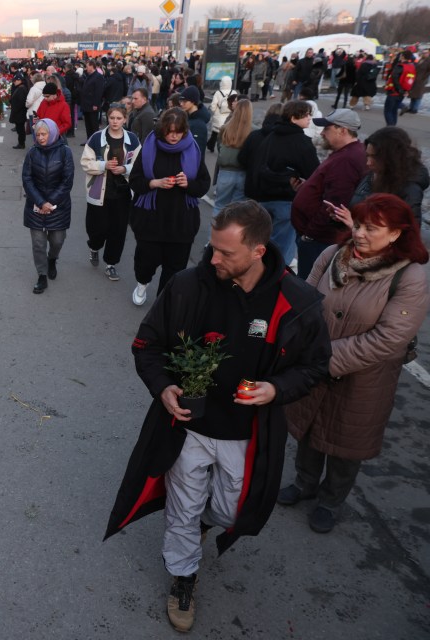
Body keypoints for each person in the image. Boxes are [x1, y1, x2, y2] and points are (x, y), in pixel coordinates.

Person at [105, 200, 331, 632]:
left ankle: (204, 527)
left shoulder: (297, 301)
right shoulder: (188, 286)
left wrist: (276, 389)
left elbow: (316, 366)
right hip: (187, 430)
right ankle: (184, 576)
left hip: (248, 436)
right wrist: (163, 387)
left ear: (259, 251)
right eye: (212, 248)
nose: (214, 258)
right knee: (182, 509)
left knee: (230, 513)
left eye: (226, 252)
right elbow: (147, 345)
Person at [280, 193, 429, 533]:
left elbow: (390, 339)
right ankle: (305, 483)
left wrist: (324, 358)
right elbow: (304, 301)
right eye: (359, 224)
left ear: (396, 234)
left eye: (372, 228)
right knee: (308, 426)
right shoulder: (334, 254)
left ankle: (331, 500)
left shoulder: (409, 277)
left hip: (365, 378)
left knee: (347, 442)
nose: (360, 233)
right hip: (315, 365)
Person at [128, 108, 211, 305]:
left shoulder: (193, 149)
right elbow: (135, 181)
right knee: (145, 262)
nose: (174, 136)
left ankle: (164, 299)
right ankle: (142, 283)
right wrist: (154, 183)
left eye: (178, 131)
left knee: (175, 267)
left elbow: (203, 185)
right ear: (162, 129)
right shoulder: (149, 147)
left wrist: (187, 184)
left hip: (180, 221)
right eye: (169, 131)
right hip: (151, 220)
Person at [238, 100, 320, 266]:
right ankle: (273, 279)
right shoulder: (302, 142)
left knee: (260, 242)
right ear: (293, 117)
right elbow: (314, 174)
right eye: (306, 114)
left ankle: (256, 274)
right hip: (286, 199)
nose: (310, 118)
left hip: (262, 197)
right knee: (281, 249)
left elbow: (255, 164)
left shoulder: (270, 137)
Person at [290, 109, 367, 279]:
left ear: (342, 130)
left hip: (319, 239)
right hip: (317, 237)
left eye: (327, 128)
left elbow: (335, 203)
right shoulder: (344, 154)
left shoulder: (347, 159)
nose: (323, 132)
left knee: (309, 285)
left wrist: (310, 235)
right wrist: (306, 188)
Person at [81, 103, 141, 281]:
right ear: (108, 118)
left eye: (119, 118)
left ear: (125, 119)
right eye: (112, 118)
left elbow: (139, 164)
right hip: (99, 192)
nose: (115, 121)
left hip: (122, 193)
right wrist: (103, 165)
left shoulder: (133, 140)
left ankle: (111, 264)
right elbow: (85, 162)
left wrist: (125, 169)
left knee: (118, 230)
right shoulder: (96, 138)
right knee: (97, 229)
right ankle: (94, 246)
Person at [21, 118, 74, 294]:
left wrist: (51, 202)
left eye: (44, 134)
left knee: (57, 240)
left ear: (52, 133)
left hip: (58, 206)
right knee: (38, 243)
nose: (41, 138)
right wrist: (41, 202)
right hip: (36, 206)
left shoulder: (65, 152)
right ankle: (42, 275)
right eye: (38, 135)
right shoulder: (32, 152)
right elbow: (27, 179)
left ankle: (52, 259)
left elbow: (67, 181)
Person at [349, 126, 430, 223]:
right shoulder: (373, 174)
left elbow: (408, 233)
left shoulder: (409, 190)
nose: (368, 163)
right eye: (367, 156)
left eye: (375, 157)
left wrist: (355, 227)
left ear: (392, 158)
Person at [212, 98, 254, 216]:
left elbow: (219, 146)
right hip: (243, 172)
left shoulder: (225, 128)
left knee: (219, 206)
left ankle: (214, 234)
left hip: (226, 170)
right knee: (237, 210)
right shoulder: (254, 131)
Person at [383, 50, 415, 126]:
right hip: (403, 91)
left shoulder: (400, 66)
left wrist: (399, 89)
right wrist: (405, 91)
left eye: (401, 55)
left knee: (388, 111)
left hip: (394, 91)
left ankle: (390, 129)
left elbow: (394, 78)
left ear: (403, 56)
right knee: (394, 110)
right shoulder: (411, 67)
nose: (400, 57)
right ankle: (393, 127)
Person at [207, 76, 238, 152]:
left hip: (219, 116)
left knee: (215, 132)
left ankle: (211, 146)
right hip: (230, 116)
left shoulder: (218, 92)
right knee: (226, 133)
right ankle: (224, 148)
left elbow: (213, 105)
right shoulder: (234, 92)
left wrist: (214, 111)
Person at [177, 86, 211, 153]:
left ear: (193, 102)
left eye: (184, 101)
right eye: (180, 101)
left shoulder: (199, 124)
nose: (181, 104)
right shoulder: (188, 116)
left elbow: (197, 150)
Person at [80, 61, 105, 141]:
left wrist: (95, 104)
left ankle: (95, 141)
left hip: (92, 105)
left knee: (93, 124)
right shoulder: (90, 76)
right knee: (88, 124)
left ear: (91, 66)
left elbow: (98, 92)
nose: (86, 68)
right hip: (86, 104)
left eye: (87, 66)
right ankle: (89, 140)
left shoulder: (98, 77)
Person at [403, 48, 429, 114]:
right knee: (413, 94)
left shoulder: (428, 61)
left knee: (418, 95)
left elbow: (428, 72)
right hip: (415, 79)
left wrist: (424, 78)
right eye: (423, 53)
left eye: (425, 53)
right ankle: (411, 108)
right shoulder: (421, 59)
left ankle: (415, 109)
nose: (424, 54)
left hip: (421, 80)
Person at [8, 74, 29, 149]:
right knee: (19, 128)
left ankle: (21, 143)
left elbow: (21, 102)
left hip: (19, 112)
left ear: (20, 80)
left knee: (20, 129)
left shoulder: (21, 89)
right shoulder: (20, 87)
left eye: (15, 81)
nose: (14, 82)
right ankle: (21, 142)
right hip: (19, 112)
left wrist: (15, 108)